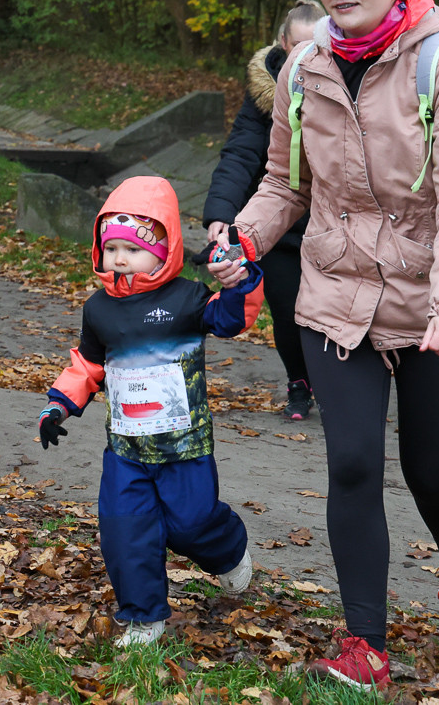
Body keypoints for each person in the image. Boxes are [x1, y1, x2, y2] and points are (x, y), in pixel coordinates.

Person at [208, 0, 439, 690]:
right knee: (351, 466)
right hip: (334, 296)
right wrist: (244, 237)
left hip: (435, 301)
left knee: (430, 469)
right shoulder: (303, 69)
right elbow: (281, 183)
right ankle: (364, 642)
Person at [38, 175, 265, 647]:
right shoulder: (98, 309)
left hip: (183, 444)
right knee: (126, 529)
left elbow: (231, 319)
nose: (121, 258)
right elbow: (89, 363)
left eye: (134, 248)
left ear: (165, 248)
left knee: (191, 522)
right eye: (112, 248)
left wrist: (241, 282)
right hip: (125, 449)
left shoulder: (187, 298)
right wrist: (59, 405)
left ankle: (228, 551)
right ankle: (143, 617)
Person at [202, 0, 326, 420]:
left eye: (318, 45)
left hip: (331, 228)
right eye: (299, 47)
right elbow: (240, 156)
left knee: (329, 312)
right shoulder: (266, 92)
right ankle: (299, 382)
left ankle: (333, 385)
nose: (308, 56)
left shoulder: (345, 85)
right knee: (288, 310)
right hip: (279, 227)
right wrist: (221, 212)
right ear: (281, 45)